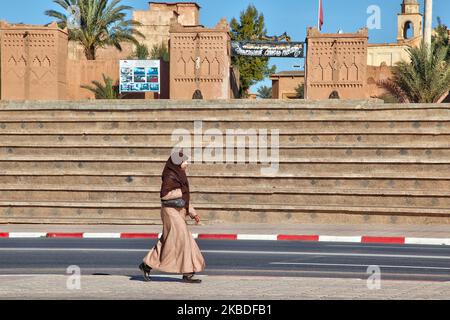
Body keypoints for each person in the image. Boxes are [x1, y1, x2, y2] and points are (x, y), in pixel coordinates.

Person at [139, 150, 205, 283]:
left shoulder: (180, 174)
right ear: (177, 162)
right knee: (183, 239)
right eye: (185, 161)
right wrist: (181, 191)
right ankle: (187, 272)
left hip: (178, 211)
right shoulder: (170, 175)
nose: (187, 163)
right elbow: (164, 195)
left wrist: (193, 213)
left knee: (168, 241)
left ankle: (147, 265)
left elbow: (185, 198)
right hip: (170, 212)